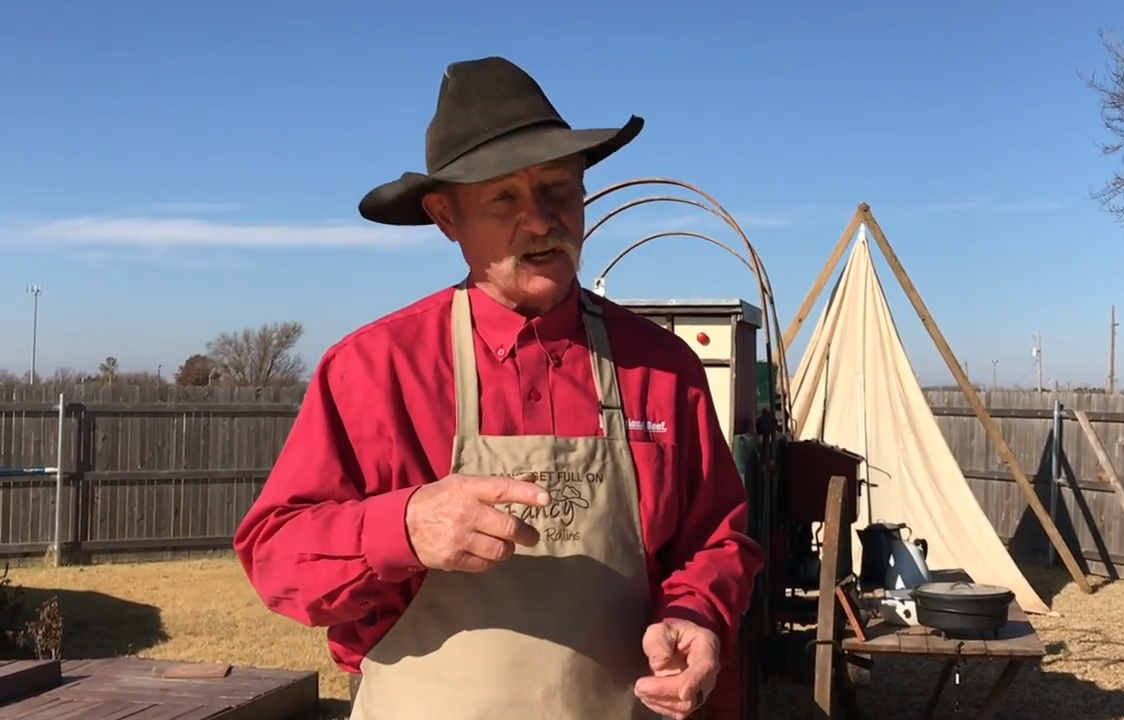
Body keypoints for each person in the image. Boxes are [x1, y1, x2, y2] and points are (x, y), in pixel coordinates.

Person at [232, 56, 764, 720]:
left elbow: (716, 538)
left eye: (558, 189)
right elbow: (277, 559)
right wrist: (403, 526)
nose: (541, 221)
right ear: (446, 217)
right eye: (503, 199)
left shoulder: (661, 368)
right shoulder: (374, 370)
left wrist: (696, 613)